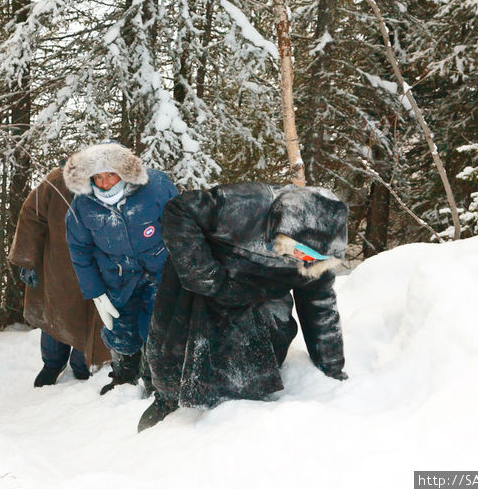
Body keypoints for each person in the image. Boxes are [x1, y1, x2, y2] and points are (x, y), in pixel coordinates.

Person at [138, 182, 349, 431]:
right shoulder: (245, 204)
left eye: (312, 258)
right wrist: (211, 281)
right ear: (288, 229)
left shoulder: (314, 259)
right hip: (204, 275)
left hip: (257, 296)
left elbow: (320, 309)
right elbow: (178, 211)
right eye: (301, 251)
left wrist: (332, 368)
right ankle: (166, 397)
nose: (302, 261)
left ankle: (234, 418)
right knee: (173, 342)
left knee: (258, 349)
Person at [63, 142, 178, 395]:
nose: (105, 183)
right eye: (98, 177)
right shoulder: (83, 205)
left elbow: (181, 224)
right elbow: (79, 250)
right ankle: (124, 376)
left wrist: (184, 268)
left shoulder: (156, 187)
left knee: (157, 327)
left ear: (124, 173)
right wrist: (95, 293)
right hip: (118, 280)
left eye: (111, 175)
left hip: (160, 274)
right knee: (120, 329)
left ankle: (154, 379)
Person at [8, 166, 110, 387]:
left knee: (91, 317)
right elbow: (31, 215)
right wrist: (28, 259)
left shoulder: (114, 185)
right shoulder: (58, 181)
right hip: (59, 265)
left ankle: (82, 366)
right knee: (56, 316)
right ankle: (52, 364)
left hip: (97, 268)